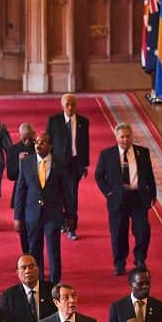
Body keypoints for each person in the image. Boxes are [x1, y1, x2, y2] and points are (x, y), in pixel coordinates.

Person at [95, 122, 157, 274]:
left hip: (138, 198)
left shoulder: (143, 152)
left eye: (128, 136)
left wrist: (152, 195)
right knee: (118, 232)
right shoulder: (107, 155)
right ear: (116, 137)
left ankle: (140, 259)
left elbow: (149, 176)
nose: (125, 139)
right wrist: (109, 193)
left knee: (143, 230)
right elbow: (99, 176)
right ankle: (119, 263)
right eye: (122, 137)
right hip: (118, 199)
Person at [13, 133, 74, 283]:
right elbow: (20, 190)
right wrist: (17, 216)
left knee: (53, 249)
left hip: (53, 213)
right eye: (37, 142)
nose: (38, 145)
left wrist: (71, 214)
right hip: (32, 214)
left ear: (50, 146)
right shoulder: (26, 163)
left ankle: (55, 281)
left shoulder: (59, 163)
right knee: (34, 249)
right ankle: (38, 280)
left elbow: (67, 190)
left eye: (43, 142)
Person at [47, 94, 90, 239]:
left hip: (75, 164)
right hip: (58, 164)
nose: (70, 107)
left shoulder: (83, 122)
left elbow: (85, 144)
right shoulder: (54, 121)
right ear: (62, 105)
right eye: (67, 104)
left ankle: (72, 228)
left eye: (72, 104)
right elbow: (49, 142)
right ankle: (61, 223)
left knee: (72, 196)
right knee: (58, 195)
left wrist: (84, 165)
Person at [0, 254, 58, 322]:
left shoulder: (52, 290)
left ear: (38, 269)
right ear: (17, 272)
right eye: (23, 268)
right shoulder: (8, 296)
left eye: (31, 267)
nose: (28, 271)